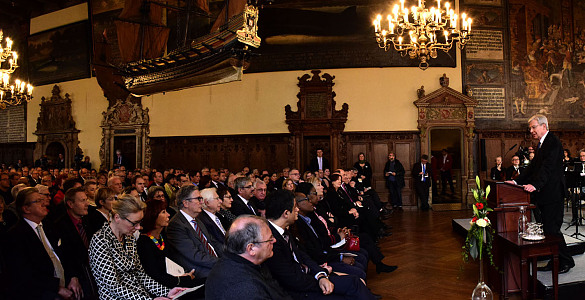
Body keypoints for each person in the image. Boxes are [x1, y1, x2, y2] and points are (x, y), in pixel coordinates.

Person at [264, 190, 376, 300]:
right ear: (286, 213)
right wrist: (321, 279)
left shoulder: (283, 231)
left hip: (309, 277)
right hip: (299, 290)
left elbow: (302, 256)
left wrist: (320, 274)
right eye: (294, 207)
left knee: (354, 282)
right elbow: (291, 279)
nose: (297, 209)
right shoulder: (270, 239)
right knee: (353, 285)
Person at [506, 114, 575, 274]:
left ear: (544, 126)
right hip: (545, 194)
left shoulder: (553, 142)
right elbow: (532, 168)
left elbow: (548, 168)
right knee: (547, 230)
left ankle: (566, 261)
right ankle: (555, 259)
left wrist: (535, 185)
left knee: (552, 229)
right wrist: (517, 182)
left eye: (533, 127)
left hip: (553, 194)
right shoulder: (542, 144)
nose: (531, 130)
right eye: (530, 128)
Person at [89, 194, 186, 299]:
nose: (139, 227)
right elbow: (113, 286)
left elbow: (140, 275)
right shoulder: (100, 240)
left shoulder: (129, 238)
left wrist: (167, 292)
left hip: (140, 294)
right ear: (117, 217)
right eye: (134, 223)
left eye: (140, 222)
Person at [4, 188, 79, 299]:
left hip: (65, 286)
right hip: (40, 293)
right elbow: (24, 274)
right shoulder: (15, 235)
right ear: (26, 208)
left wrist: (73, 276)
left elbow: (64, 253)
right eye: (38, 201)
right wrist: (56, 288)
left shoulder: (49, 225)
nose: (44, 203)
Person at [205, 215, 292, 300]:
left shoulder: (236, 261)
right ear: (251, 249)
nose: (274, 240)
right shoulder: (246, 288)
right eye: (270, 239)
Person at [137, 199, 205, 290]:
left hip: (176, 279)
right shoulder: (144, 243)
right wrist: (182, 279)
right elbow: (156, 276)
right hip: (164, 288)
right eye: (163, 212)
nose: (168, 215)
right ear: (153, 216)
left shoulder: (162, 236)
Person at [166, 185, 223, 278]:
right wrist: (221, 262)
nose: (202, 202)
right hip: (200, 270)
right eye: (198, 199)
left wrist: (231, 255)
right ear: (185, 203)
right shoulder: (176, 225)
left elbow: (213, 242)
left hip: (213, 262)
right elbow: (195, 255)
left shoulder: (197, 220)